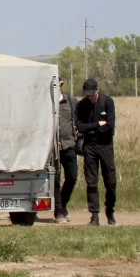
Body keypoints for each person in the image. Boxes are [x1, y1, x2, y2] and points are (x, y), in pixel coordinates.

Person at [75, 78, 117, 226]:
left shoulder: (108, 102)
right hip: (89, 146)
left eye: (92, 94)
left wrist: (91, 129)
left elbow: (110, 125)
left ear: (97, 90)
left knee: (110, 181)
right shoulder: (81, 105)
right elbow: (80, 127)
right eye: (87, 94)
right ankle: (94, 216)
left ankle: (110, 211)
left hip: (105, 146)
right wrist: (97, 124)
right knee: (91, 182)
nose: (90, 97)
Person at [54, 78, 78, 224]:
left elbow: (79, 118)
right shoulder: (46, 102)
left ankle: (62, 205)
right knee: (55, 180)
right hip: (53, 149)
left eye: (59, 84)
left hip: (69, 145)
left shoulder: (71, 101)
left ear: (62, 85)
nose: (57, 87)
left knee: (72, 177)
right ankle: (58, 213)